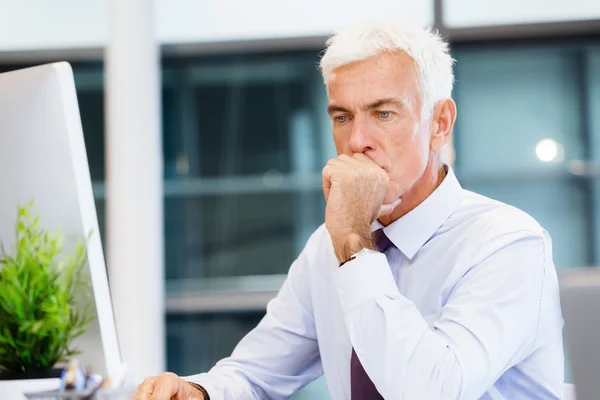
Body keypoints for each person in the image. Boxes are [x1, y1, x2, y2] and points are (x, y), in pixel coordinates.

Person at [134, 20, 564, 400]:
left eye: (383, 113)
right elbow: (255, 373)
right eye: (341, 117)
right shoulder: (329, 245)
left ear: (439, 124)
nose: (357, 140)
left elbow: (430, 391)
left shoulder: (506, 244)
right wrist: (198, 392)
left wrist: (355, 245)